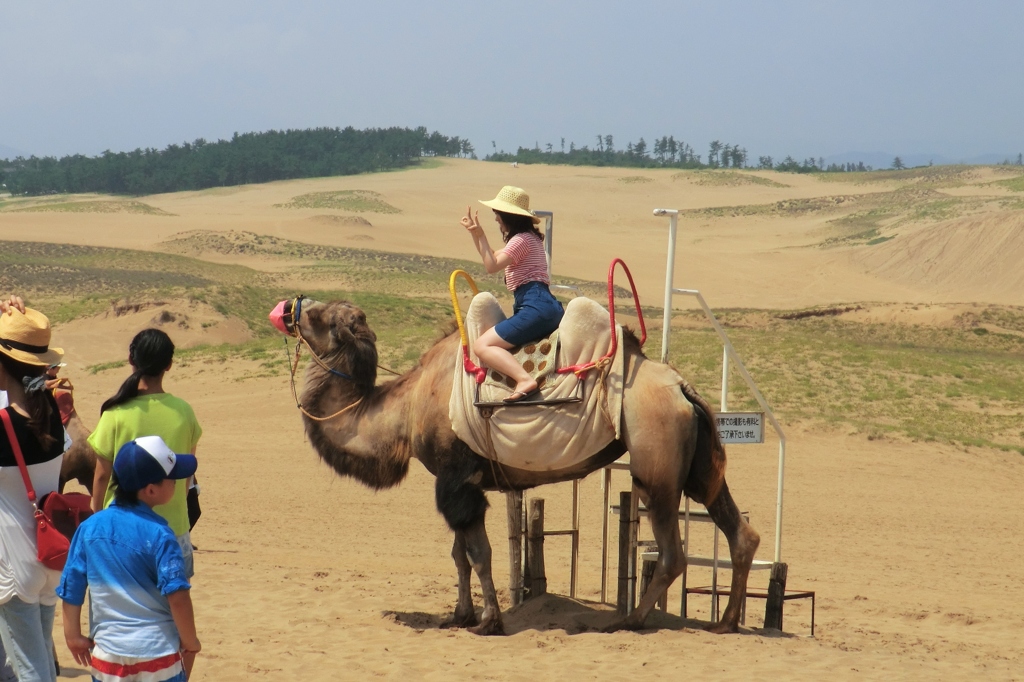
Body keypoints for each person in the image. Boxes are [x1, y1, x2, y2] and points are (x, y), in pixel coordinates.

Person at [58, 435, 201, 681]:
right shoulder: (161, 535)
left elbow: (72, 583)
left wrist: (73, 636)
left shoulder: (90, 528)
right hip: (158, 655)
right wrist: (191, 641)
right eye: (173, 478)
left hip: (108, 659)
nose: (178, 482)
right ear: (151, 490)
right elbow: (177, 596)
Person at [88, 329, 202, 577]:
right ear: (169, 365)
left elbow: (101, 475)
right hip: (175, 528)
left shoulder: (114, 413)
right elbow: (185, 477)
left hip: (122, 530)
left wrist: (97, 512)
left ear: (131, 360)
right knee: (172, 609)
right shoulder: (184, 412)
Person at [0, 297, 65, 682]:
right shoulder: (52, 412)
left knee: (30, 671)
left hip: (13, 564)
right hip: (50, 557)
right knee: (40, 663)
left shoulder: (5, 425)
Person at [461, 185, 564, 403]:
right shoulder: (529, 240)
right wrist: (476, 235)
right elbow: (490, 254)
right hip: (545, 305)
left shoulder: (521, 240)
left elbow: (490, 265)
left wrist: (480, 235)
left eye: (498, 215)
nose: (496, 219)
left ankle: (524, 380)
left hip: (535, 305)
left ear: (509, 216)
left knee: (482, 346)